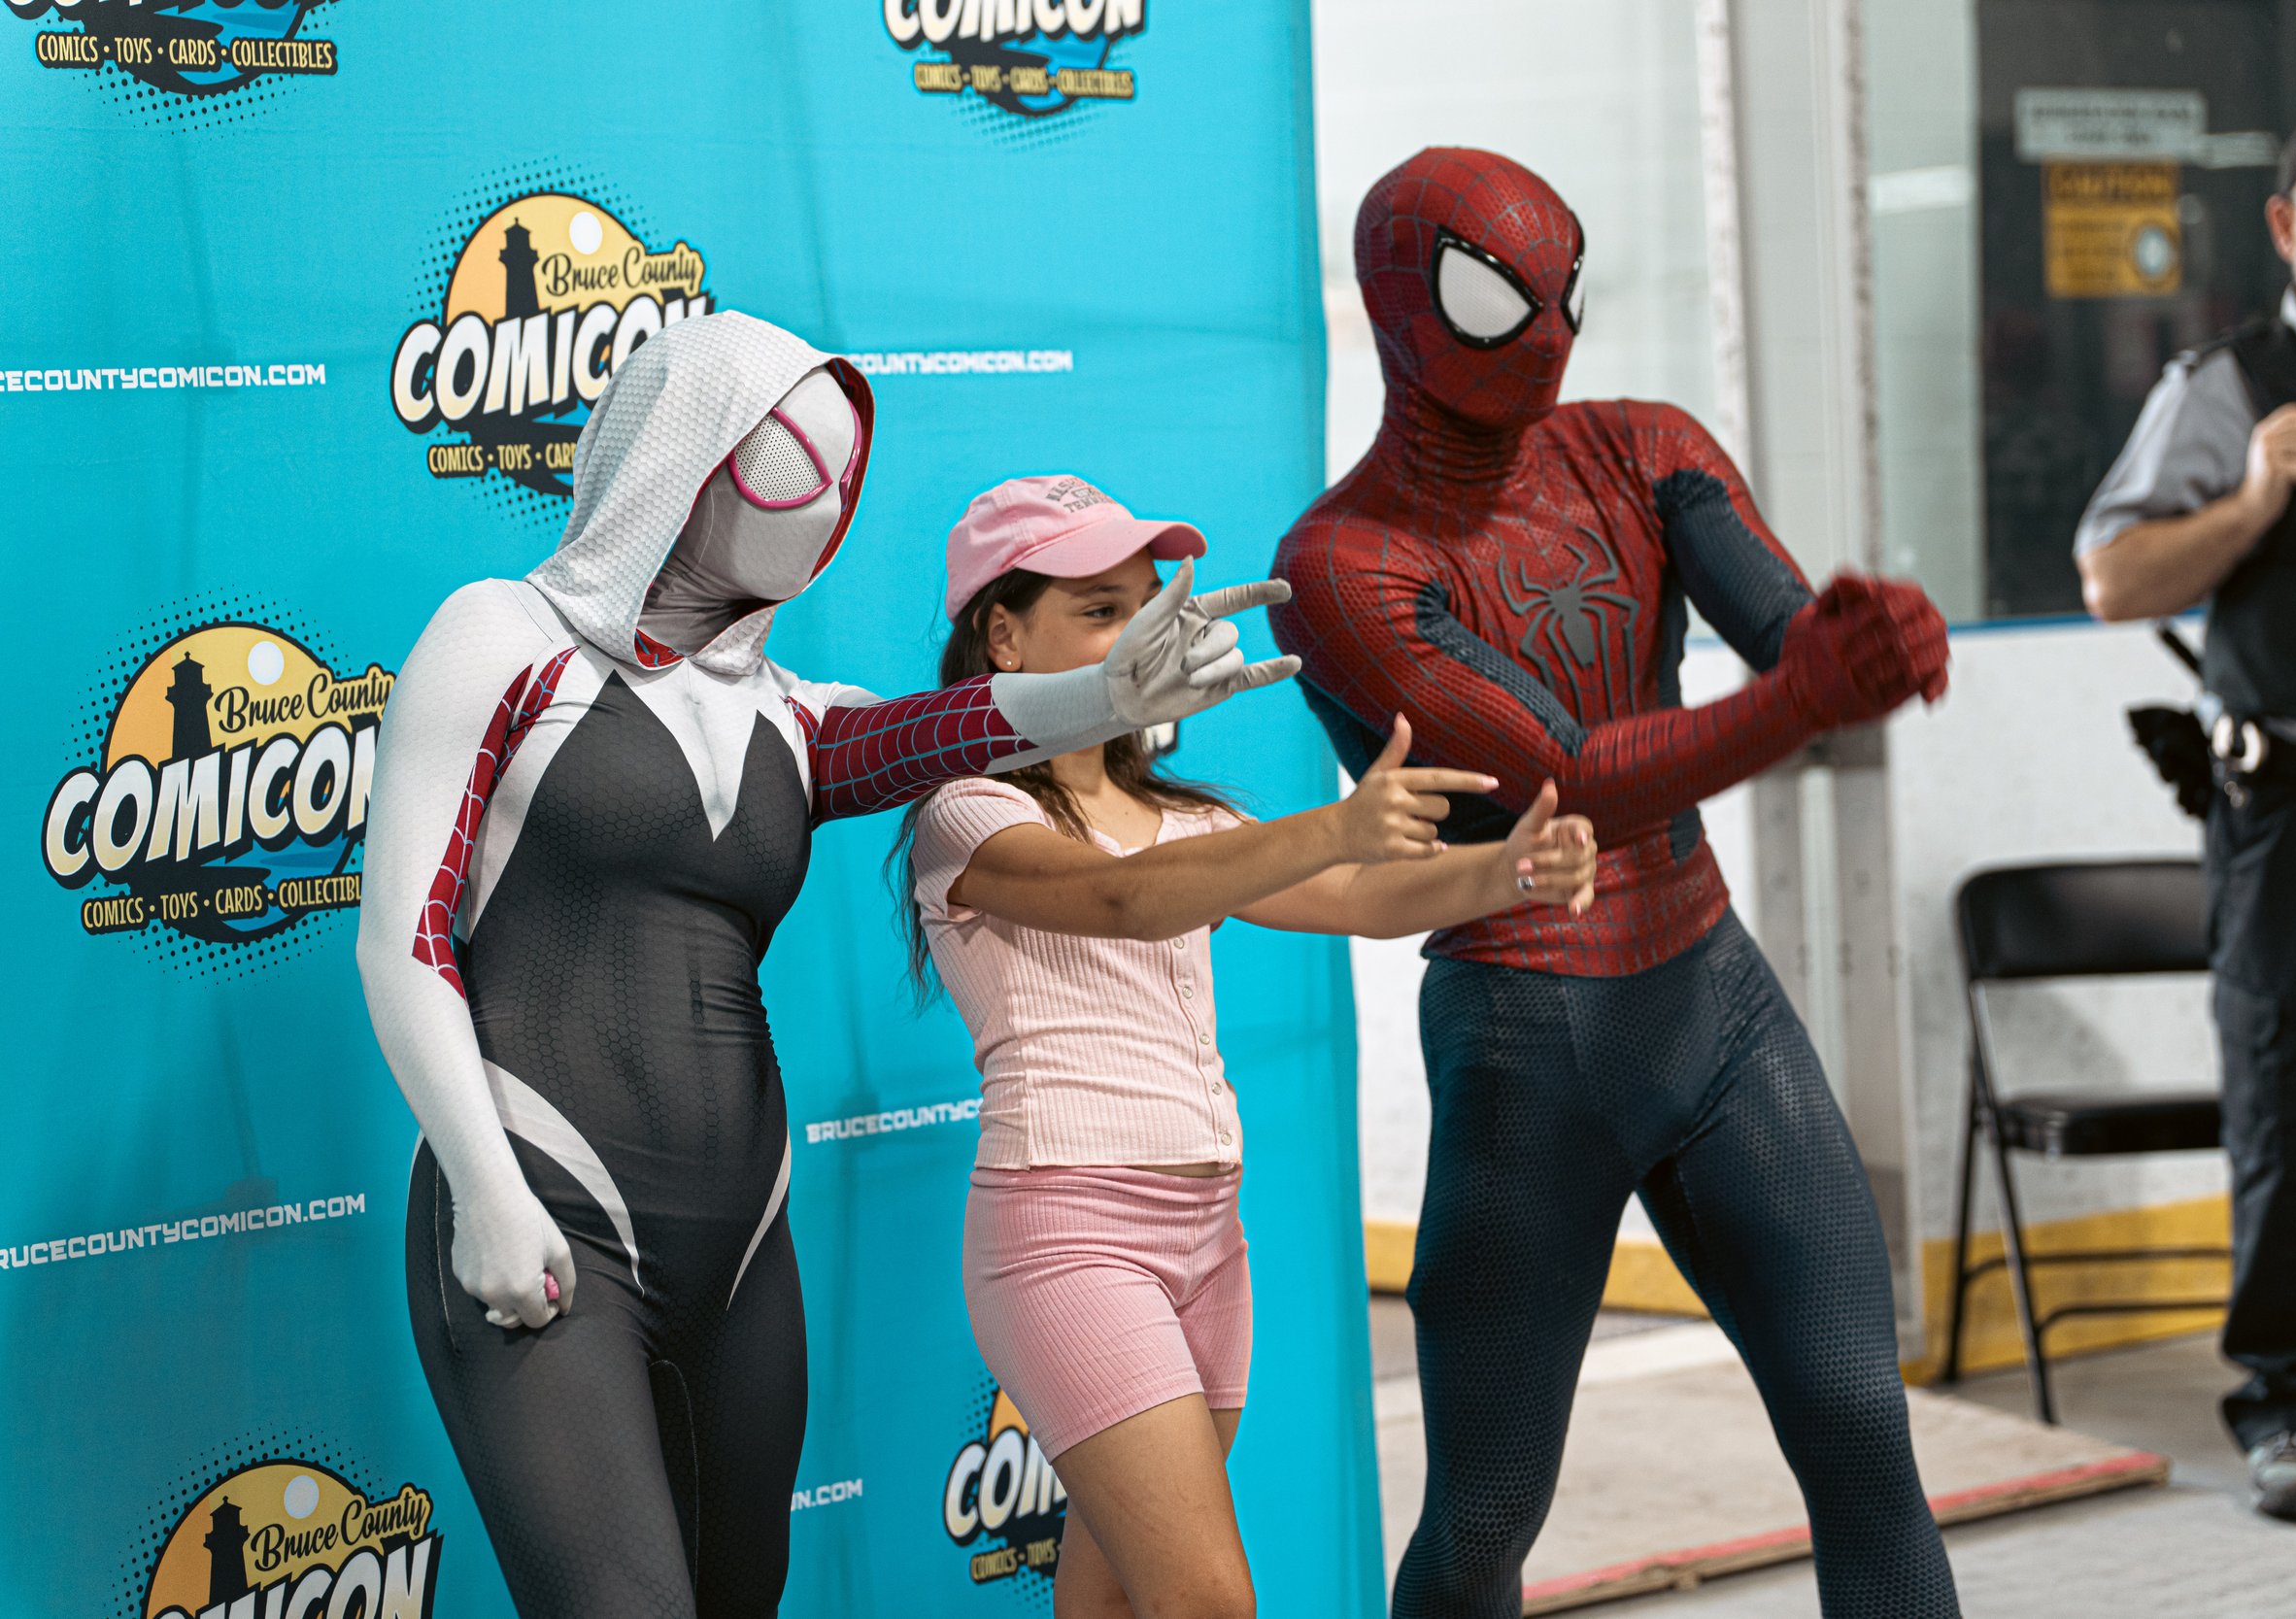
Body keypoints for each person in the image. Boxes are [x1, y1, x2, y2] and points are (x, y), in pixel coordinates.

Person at [355, 315, 1299, 1618]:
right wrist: (483, 1181)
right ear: (677, 450)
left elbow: (942, 728)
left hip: (741, 1239)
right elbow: (402, 935)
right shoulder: (501, 636)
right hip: (544, 1195)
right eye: (786, 452)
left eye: (841, 466)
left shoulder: (791, 713)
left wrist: (1107, 698)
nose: (819, 494)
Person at [1269, 149, 1959, 1618]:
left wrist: (1858, 634)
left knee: (1859, 1426)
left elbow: (1786, 629)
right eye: (1492, 296)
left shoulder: (1643, 445)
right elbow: (1560, 782)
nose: (1541, 330)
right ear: (1402, 306)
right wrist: (1816, 692)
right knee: (1484, 1517)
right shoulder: (1339, 563)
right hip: (1531, 1036)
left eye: (1559, 290)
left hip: (1706, 993)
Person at [897, 474, 1601, 1619]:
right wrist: (1329, 823)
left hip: (1207, 1234)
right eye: (1096, 609)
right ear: (1001, 633)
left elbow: (1366, 896)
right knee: (1209, 1600)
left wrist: (1510, 866)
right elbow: (1129, 901)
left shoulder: (1192, 818)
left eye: (1142, 607)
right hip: (1068, 1234)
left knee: (1113, 1595)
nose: (1136, 638)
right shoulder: (964, 810)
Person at [2077, 102, 2296, 1523]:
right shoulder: (2231, 388)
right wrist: (2255, 498)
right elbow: (2115, 578)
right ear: (2289, 229)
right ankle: (2293, 1405)